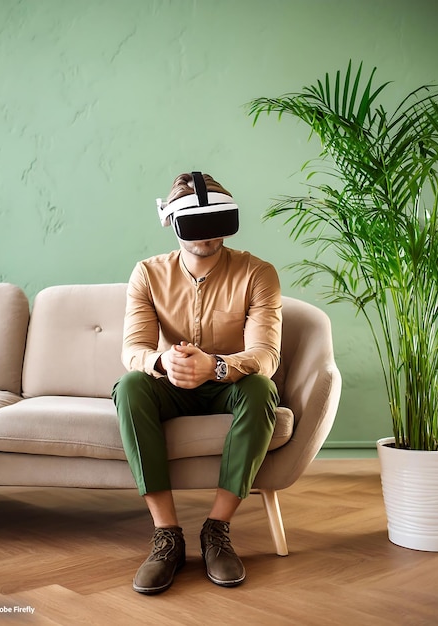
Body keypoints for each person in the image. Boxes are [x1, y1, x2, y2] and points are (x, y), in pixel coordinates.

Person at [112, 171, 282, 595]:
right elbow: (133, 349)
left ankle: (217, 529)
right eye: (194, 221)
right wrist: (163, 361)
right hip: (171, 382)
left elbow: (266, 356)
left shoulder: (258, 272)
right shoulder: (147, 274)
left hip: (227, 383)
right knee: (130, 385)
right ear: (170, 221)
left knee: (262, 388)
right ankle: (167, 535)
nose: (205, 233)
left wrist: (217, 367)